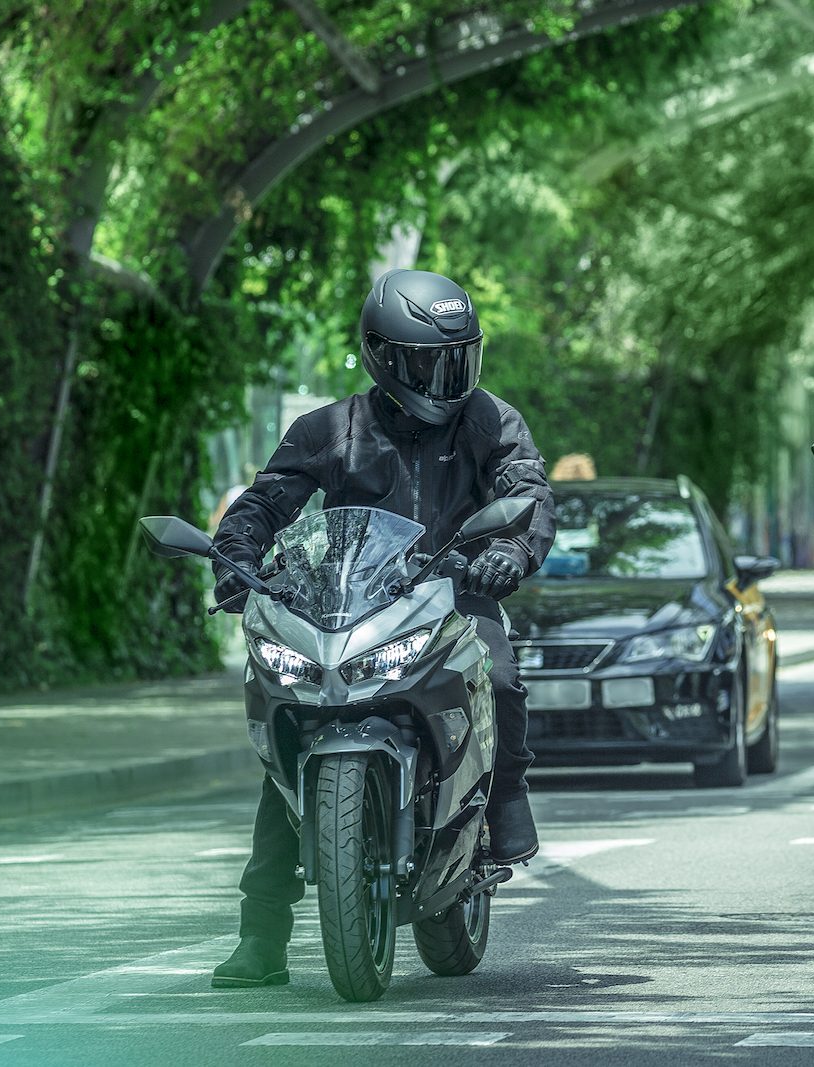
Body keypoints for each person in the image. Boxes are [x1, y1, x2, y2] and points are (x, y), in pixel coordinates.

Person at [208, 268, 555, 988]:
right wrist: (236, 559)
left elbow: (528, 493)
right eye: (430, 362)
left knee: (499, 675)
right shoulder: (328, 429)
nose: (447, 377)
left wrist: (511, 551)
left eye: (459, 358)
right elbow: (264, 503)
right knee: (291, 738)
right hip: (347, 607)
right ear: (383, 357)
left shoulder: (493, 422)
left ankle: (503, 806)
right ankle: (261, 935)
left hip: (455, 596)